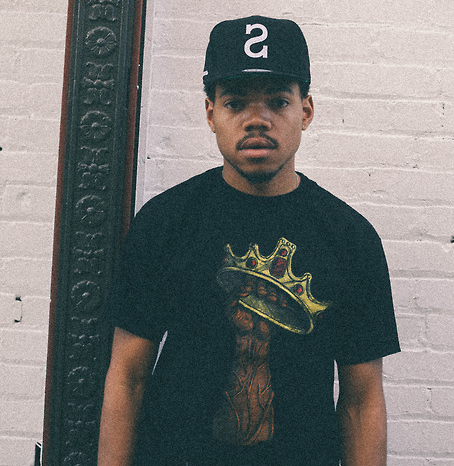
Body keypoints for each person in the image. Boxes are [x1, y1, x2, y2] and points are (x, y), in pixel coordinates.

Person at [98, 15, 400, 466]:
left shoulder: (350, 239)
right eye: (236, 103)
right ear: (210, 113)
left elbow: (362, 402)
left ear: (306, 111)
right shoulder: (164, 223)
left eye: (278, 102)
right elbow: (127, 377)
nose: (257, 120)